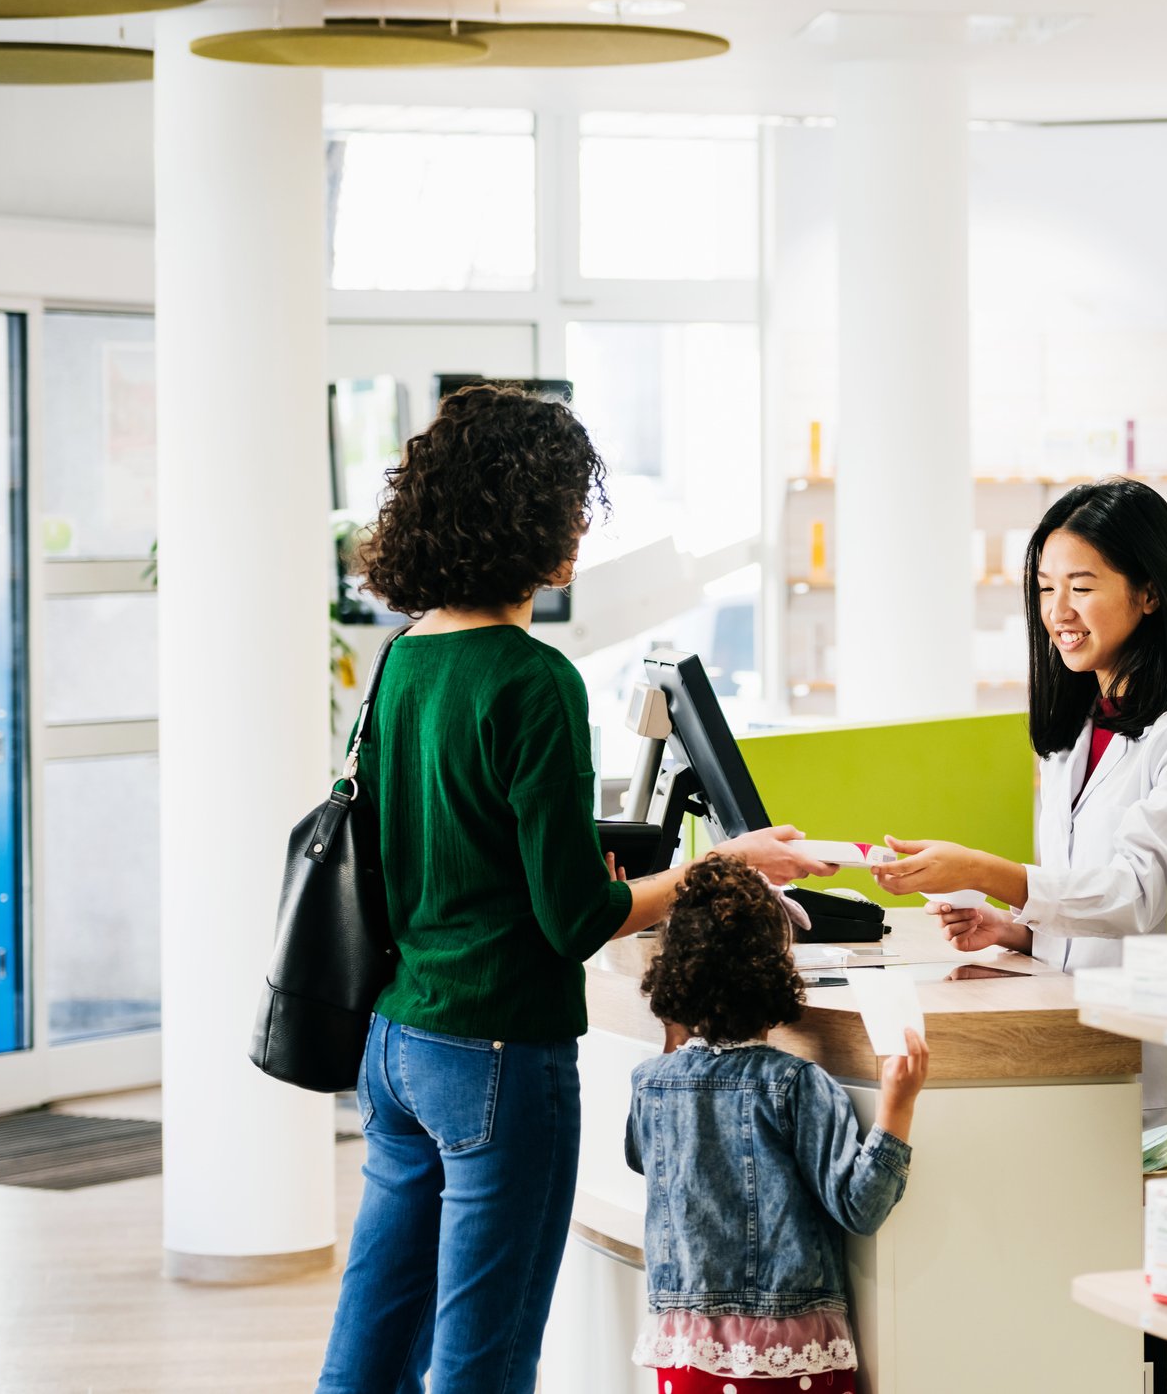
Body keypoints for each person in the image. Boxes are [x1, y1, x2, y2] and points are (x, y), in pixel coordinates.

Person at [315, 384, 835, 1394]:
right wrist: (713, 871)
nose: (579, 537)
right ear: (528, 520)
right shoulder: (532, 679)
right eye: (570, 511)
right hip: (501, 1054)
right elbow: (574, 921)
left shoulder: (402, 659)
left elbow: (426, 844)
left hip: (397, 1042)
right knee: (484, 1359)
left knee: (370, 1342)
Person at [867, 477, 1167, 1123]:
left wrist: (983, 872)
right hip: (1071, 1040)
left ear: (1149, 592)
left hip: (1156, 1062)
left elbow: (1136, 897)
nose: (1058, 611)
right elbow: (1087, 901)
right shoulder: (1077, 733)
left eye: (1081, 587)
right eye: (1046, 588)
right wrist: (1022, 932)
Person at [628, 853, 930, 1393]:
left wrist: (672, 1045)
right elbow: (860, 1208)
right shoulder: (796, 1084)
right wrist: (898, 1107)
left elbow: (640, 1156)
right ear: (778, 977)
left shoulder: (650, 1081)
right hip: (788, 1351)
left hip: (685, 1347)